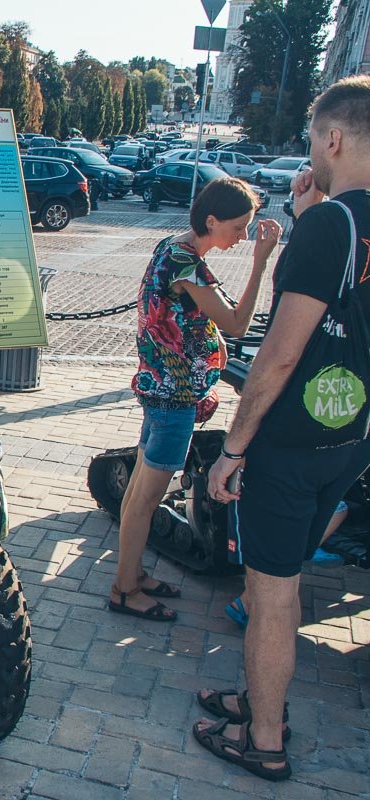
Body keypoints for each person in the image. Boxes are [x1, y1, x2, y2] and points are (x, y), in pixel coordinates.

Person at [202, 76, 370, 782]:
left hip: (292, 441)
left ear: (333, 138)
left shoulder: (334, 227)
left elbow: (278, 355)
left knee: (271, 593)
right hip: (350, 437)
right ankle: (256, 696)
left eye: (312, 140)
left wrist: (233, 449)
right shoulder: (338, 222)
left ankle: (263, 738)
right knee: (288, 577)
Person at [111, 177, 281, 622]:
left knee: (137, 493)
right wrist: (261, 263)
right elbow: (238, 323)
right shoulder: (189, 265)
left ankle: (132, 574)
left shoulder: (173, 247)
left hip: (158, 387)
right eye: (239, 227)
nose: (243, 237)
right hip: (174, 397)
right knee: (146, 498)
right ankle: (125, 589)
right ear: (211, 221)